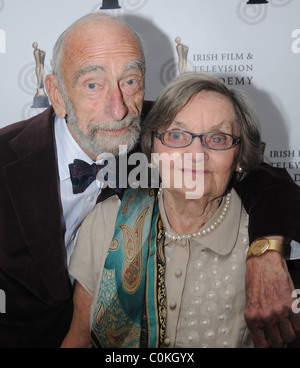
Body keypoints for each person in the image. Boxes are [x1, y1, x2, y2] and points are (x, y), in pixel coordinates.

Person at [0, 13, 299, 348]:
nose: (118, 109)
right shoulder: (6, 159)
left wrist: (266, 250)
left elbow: (259, 175)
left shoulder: (161, 133)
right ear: (56, 93)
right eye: (93, 85)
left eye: (130, 81)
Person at [63, 72, 300, 348]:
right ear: (152, 148)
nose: (196, 154)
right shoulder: (107, 220)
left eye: (218, 138)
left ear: (239, 158)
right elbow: (79, 337)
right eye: (177, 135)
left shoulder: (268, 242)